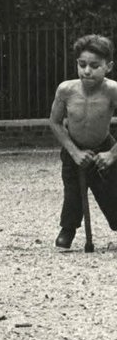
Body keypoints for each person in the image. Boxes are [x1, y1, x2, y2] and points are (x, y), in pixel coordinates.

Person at [49, 34, 117, 250]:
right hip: (73, 149)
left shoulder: (113, 91)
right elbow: (55, 123)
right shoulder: (66, 90)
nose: (87, 71)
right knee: (73, 192)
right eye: (82, 64)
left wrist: (112, 154)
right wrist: (74, 153)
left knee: (111, 192)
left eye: (95, 66)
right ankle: (68, 229)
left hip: (103, 148)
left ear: (108, 67)